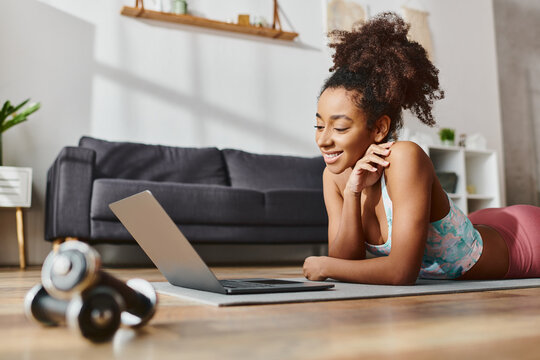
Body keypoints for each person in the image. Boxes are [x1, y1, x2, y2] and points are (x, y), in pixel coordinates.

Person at [302, 12, 540, 285]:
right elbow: (344, 260)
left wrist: (323, 265)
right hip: (481, 223)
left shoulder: (404, 157)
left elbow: (401, 272)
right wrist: (352, 192)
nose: (323, 140)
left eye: (340, 128)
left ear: (379, 128)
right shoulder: (334, 177)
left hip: (523, 241)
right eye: (319, 126)